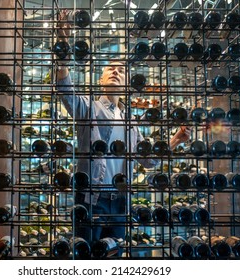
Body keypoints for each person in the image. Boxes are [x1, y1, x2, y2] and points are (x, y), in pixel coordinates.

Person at [55, 10, 191, 249]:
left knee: (114, 251)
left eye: (121, 70)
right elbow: (65, 88)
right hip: (92, 199)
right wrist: (63, 40)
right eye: (111, 69)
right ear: (100, 79)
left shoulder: (130, 121)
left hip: (120, 200)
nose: (116, 72)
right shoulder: (88, 108)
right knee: (86, 253)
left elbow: (146, 160)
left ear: (127, 83)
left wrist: (175, 141)